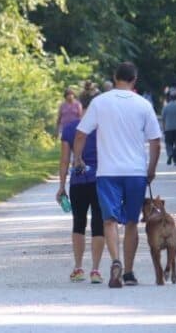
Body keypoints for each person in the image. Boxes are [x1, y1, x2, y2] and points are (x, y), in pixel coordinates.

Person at [73, 62, 161, 288]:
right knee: (132, 222)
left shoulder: (100, 102)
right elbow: (155, 142)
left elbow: (81, 134)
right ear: (135, 79)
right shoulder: (143, 105)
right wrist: (150, 169)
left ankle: (115, 261)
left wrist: (78, 159)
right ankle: (129, 273)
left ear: (114, 77)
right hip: (135, 173)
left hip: (108, 173)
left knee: (109, 220)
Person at [56, 113, 105, 284]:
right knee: (98, 223)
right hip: (100, 180)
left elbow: (64, 161)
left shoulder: (70, 129)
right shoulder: (103, 128)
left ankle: (78, 268)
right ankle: (96, 270)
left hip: (78, 182)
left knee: (78, 223)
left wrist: (62, 186)